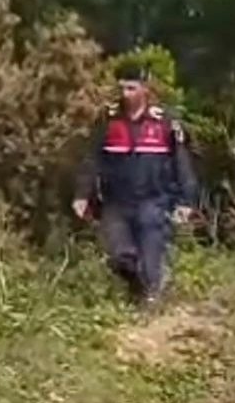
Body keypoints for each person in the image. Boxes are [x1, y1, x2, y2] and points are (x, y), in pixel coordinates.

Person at [72, 62, 197, 308]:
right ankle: (137, 288)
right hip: (116, 201)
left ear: (144, 89)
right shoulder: (107, 120)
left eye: (131, 88)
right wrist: (82, 194)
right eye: (122, 89)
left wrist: (186, 201)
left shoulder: (165, 122)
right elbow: (92, 159)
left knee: (151, 258)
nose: (125, 94)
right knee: (121, 257)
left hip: (153, 199)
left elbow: (182, 163)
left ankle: (151, 300)